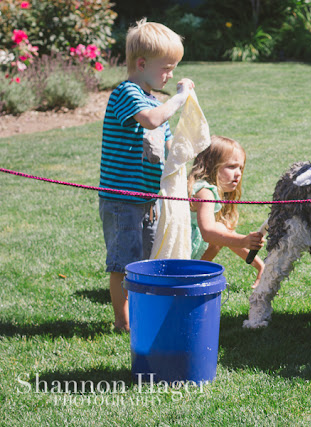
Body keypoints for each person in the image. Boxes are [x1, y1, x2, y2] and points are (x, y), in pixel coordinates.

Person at [98, 19, 195, 332]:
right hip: (122, 199)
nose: (169, 75)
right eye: (166, 68)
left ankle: (142, 314)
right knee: (123, 262)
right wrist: (179, 98)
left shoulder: (155, 101)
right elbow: (153, 121)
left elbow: (168, 148)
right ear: (141, 64)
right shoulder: (126, 93)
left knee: (148, 259)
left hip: (149, 199)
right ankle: (122, 322)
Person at [188, 136, 265, 288]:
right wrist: (244, 241)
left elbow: (228, 237)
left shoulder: (211, 191)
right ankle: (190, 279)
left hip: (187, 255)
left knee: (223, 231)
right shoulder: (204, 192)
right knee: (219, 231)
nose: (238, 174)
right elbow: (208, 232)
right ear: (210, 165)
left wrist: (261, 266)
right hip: (178, 257)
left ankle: (191, 279)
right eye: (231, 167)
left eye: (240, 168)